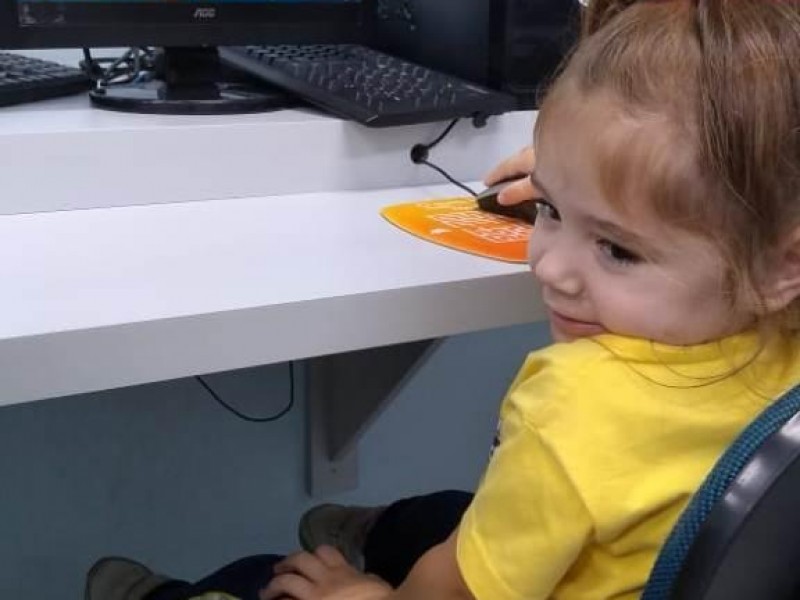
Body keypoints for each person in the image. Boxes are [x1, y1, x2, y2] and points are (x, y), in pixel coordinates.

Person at [86, 0, 800, 598]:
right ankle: (377, 535)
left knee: (266, 577)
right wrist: (604, 188)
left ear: (781, 265)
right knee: (442, 516)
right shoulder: (782, 322)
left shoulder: (574, 407)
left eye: (617, 249)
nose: (550, 265)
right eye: (550, 210)